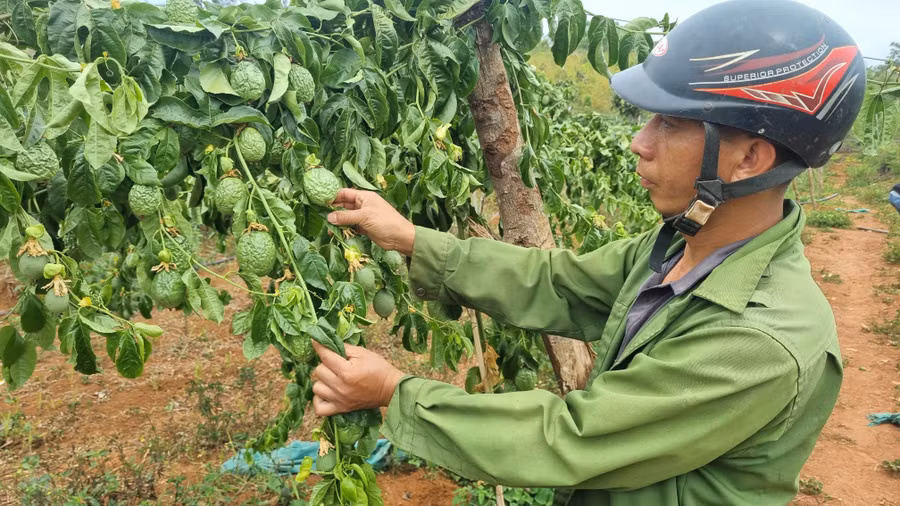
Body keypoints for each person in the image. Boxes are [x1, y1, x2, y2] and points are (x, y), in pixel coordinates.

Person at [308, 0, 867, 504]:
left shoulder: (760, 340)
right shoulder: (680, 243)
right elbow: (557, 282)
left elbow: (574, 438)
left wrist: (395, 393)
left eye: (670, 122)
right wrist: (411, 239)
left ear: (749, 160)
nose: (639, 142)